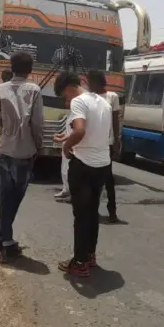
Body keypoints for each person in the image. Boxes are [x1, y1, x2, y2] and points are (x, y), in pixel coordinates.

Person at [53, 72, 112, 278]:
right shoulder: (103, 102)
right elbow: (97, 132)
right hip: (102, 165)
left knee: (80, 216)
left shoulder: (78, 102)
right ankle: (90, 255)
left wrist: (67, 146)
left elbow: (80, 131)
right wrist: (66, 137)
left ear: (68, 88)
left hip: (84, 165)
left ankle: (79, 262)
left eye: (63, 95)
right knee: (92, 213)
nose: (65, 100)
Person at [0, 51, 44, 263]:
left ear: (11, 67)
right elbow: (38, 124)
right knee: (15, 198)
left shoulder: (0, 89)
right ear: (30, 69)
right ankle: (7, 243)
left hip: (4, 148)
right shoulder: (35, 90)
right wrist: (38, 146)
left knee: (6, 196)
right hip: (25, 150)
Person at [86, 70, 121, 223]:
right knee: (91, 180)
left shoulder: (112, 97)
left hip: (107, 143)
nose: (88, 85)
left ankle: (112, 211)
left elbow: (115, 120)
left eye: (91, 82)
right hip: (91, 143)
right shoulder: (88, 98)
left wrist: (117, 140)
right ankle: (92, 210)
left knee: (108, 180)